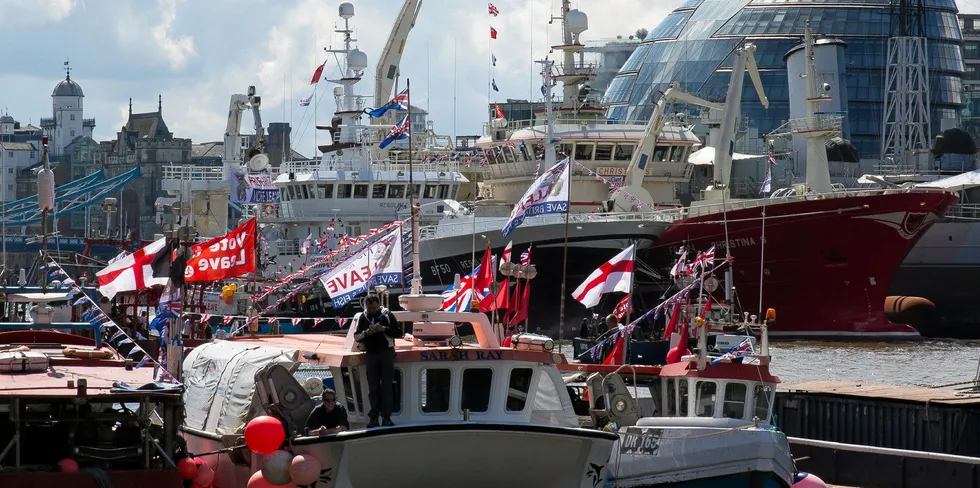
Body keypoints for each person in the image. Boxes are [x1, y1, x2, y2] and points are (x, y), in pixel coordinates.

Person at [353, 295, 401, 428]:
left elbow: (398, 332)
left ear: (379, 304)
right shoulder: (364, 317)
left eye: (374, 308)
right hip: (371, 354)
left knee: (387, 387)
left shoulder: (387, 314)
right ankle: (373, 417)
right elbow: (357, 336)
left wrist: (384, 329)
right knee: (373, 387)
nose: (372, 310)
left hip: (386, 353)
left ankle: (386, 417)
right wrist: (367, 332)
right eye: (369, 308)